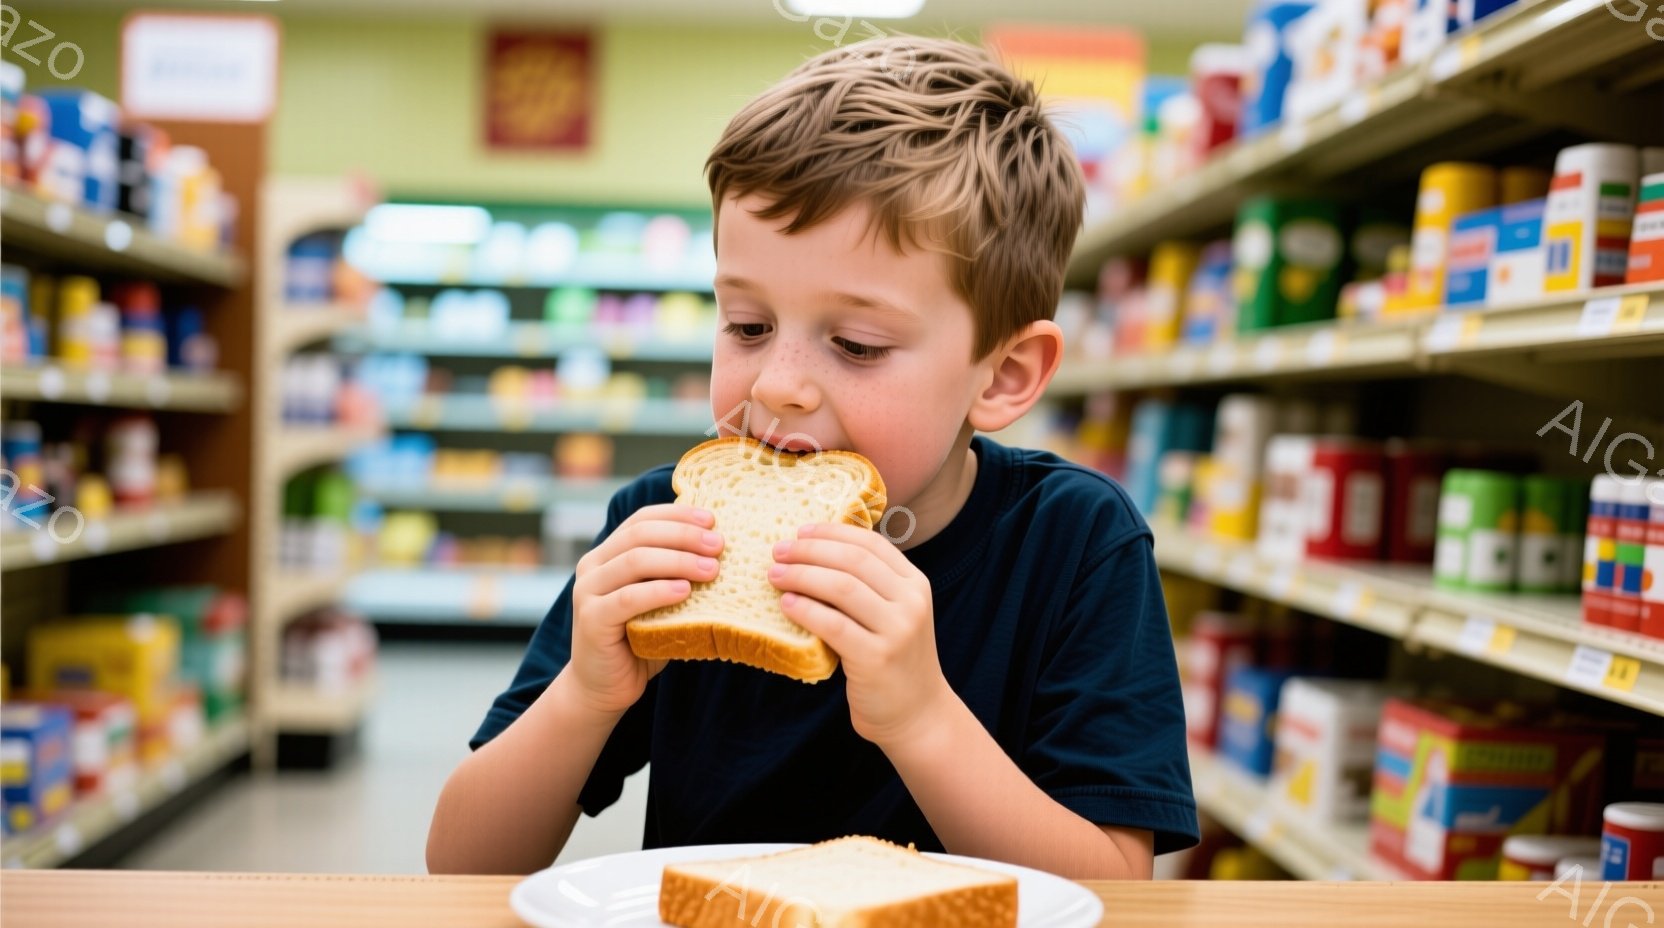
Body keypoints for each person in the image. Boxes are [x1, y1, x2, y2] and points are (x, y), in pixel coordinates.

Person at [427, 35, 1198, 880]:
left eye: (858, 344)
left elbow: (1112, 888)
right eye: (747, 327)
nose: (779, 386)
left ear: (1003, 375)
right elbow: (463, 866)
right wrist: (585, 694)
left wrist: (921, 718)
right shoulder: (662, 530)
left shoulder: (1074, 542)